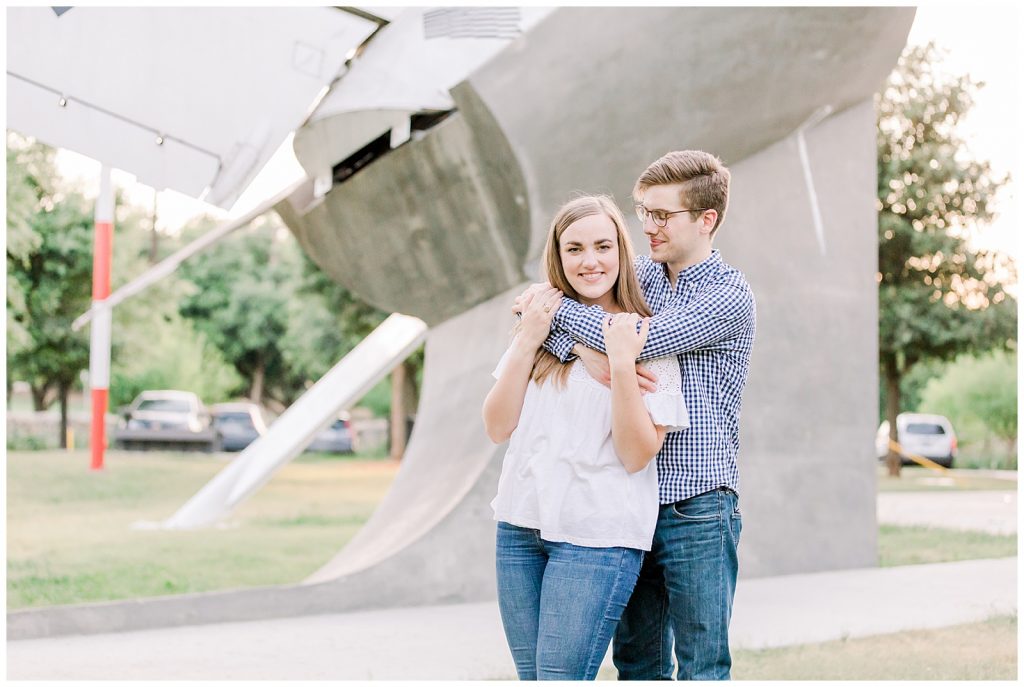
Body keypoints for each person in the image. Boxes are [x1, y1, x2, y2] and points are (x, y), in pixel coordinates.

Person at [519, 151, 756, 680]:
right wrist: (584, 350)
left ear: (706, 219)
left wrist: (568, 323)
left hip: (697, 503)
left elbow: (628, 337)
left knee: (702, 666)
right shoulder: (640, 278)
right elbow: (537, 310)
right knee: (637, 665)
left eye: (662, 215)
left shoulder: (728, 296)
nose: (646, 226)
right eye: (642, 211)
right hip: (629, 498)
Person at [481, 195, 689, 681]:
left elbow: (636, 454)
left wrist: (619, 363)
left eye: (602, 246)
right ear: (558, 256)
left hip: (595, 536)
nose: (589, 261)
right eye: (574, 249)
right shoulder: (541, 327)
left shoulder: (647, 341)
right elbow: (496, 425)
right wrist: (533, 339)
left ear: (622, 251)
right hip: (519, 526)